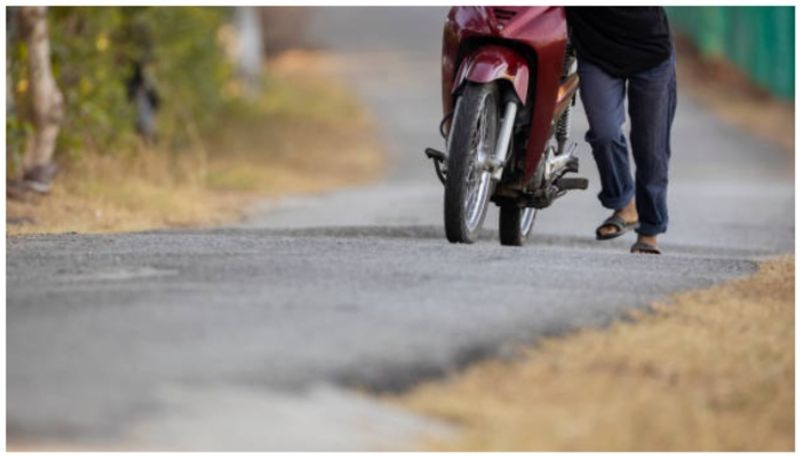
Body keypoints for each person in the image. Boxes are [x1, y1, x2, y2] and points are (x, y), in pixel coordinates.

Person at [566, 7, 677, 254]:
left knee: (651, 148)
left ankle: (650, 230)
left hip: (651, 54)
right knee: (604, 133)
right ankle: (625, 203)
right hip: (596, 53)